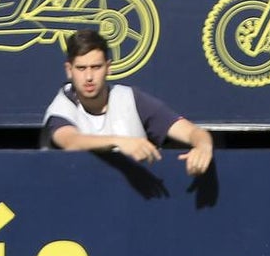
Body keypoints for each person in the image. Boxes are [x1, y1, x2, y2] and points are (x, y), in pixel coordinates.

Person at [44, 30, 214, 176]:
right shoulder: (60, 108)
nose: (89, 77)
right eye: (81, 68)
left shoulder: (131, 99)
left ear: (108, 68)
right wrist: (119, 142)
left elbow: (193, 132)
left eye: (96, 67)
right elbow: (71, 141)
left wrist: (203, 147)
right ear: (69, 70)